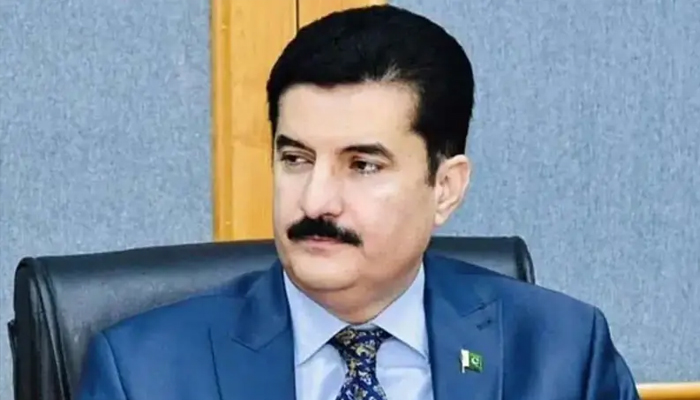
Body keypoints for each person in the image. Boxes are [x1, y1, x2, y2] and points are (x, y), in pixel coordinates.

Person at [77, 5, 640, 400]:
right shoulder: (145, 374)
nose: (315, 201)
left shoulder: (562, 356)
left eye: (362, 165)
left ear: (445, 188)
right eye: (296, 158)